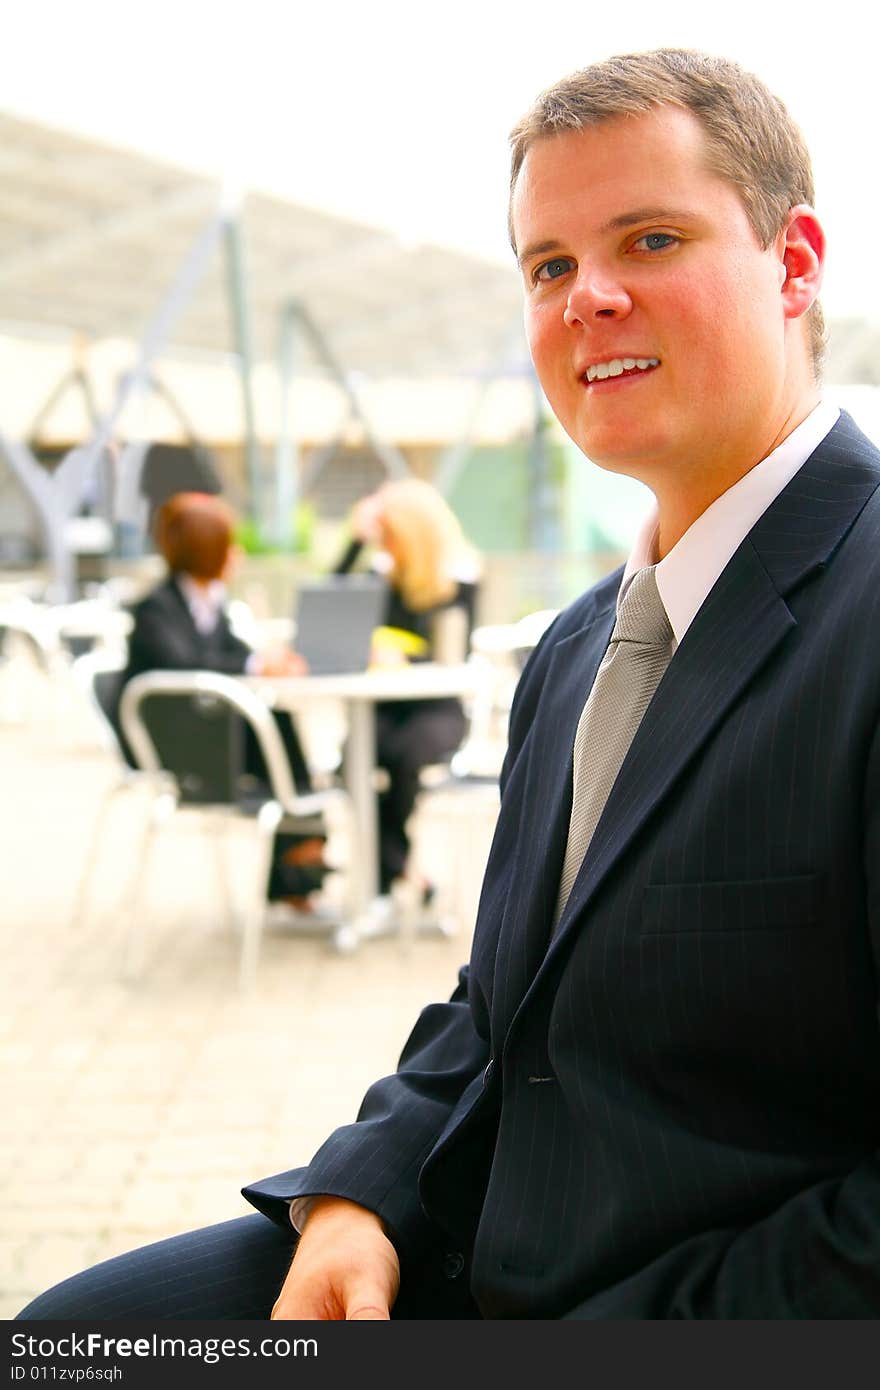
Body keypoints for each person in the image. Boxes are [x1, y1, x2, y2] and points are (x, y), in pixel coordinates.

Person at [18, 47, 880, 1321]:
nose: (585, 297)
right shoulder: (581, 645)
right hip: (460, 1246)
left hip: (691, 1305)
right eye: (548, 266)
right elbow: (495, 1009)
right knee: (67, 1340)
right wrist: (363, 1194)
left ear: (794, 263)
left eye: (648, 240)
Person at [118, 491, 330, 910]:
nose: (235, 554)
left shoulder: (210, 603)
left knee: (280, 728)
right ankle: (304, 843)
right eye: (226, 545)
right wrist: (253, 665)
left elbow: (233, 654)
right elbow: (186, 663)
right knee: (281, 739)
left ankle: (301, 848)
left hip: (211, 730)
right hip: (176, 746)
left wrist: (262, 661)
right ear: (206, 550)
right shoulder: (155, 609)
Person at [334, 477, 482, 914]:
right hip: (384, 707)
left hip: (437, 708)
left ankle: (388, 876)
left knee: (405, 755)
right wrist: (354, 543)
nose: (386, 546)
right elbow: (330, 604)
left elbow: (453, 655)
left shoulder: (459, 583)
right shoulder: (381, 579)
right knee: (355, 758)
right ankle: (401, 870)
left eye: (391, 537)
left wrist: (402, 658)